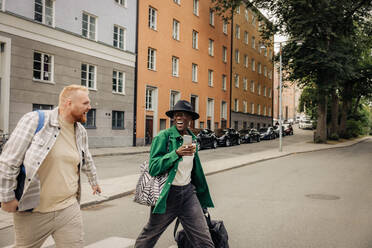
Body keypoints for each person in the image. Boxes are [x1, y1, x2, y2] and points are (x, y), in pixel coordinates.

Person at [0, 85, 101, 248]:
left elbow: (86, 158)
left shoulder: (80, 131)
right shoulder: (35, 120)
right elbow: (9, 160)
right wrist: (7, 197)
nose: (89, 107)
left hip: (68, 208)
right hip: (33, 212)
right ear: (69, 103)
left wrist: (94, 181)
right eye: (85, 103)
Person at [135, 100, 215, 248]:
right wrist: (175, 153)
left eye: (184, 115)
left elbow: (192, 169)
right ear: (173, 118)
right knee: (148, 237)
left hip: (188, 195)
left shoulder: (192, 140)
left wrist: (199, 196)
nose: (180, 118)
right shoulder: (163, 137)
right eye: (177, 115)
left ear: (190, 119)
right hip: (168, 195)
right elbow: (153, 167)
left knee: (204, 241)